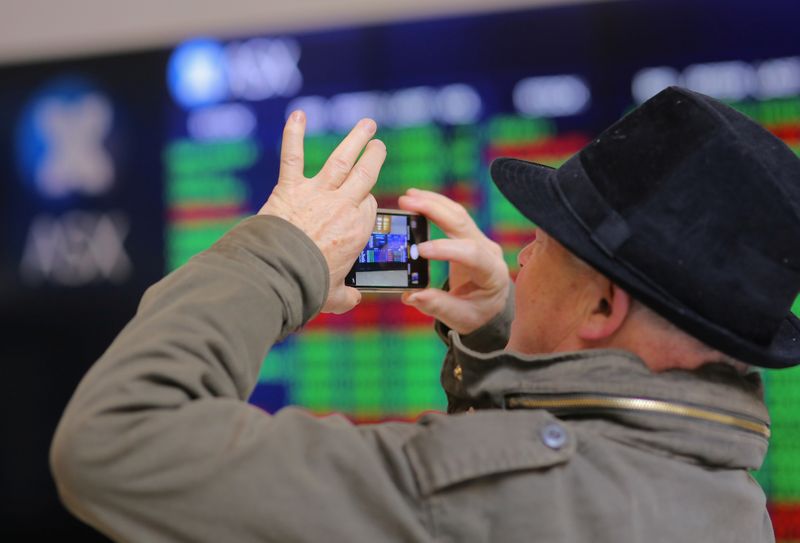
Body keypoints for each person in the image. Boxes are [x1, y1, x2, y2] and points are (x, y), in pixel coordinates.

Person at [51, 86, 800, 542]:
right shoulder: (729, 496)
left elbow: (117, 440)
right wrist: (513, 335)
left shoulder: (492, 497)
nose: (520, 260)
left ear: (603, 305)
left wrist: (282, 254)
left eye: (542, 244)